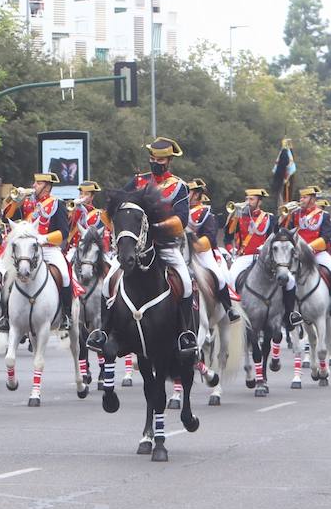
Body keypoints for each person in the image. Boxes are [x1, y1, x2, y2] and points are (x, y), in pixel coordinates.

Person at [90, 137, 196, 351]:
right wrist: (117, 227)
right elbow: (116, 207)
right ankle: (103, 332)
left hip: (164, 244)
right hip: (135, 245)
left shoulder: (178, 187)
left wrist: (157, 227)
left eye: (160, 159)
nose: (155, 161)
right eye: (152, 157)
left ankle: (186, 334)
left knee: (185, 282)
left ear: (168, 161)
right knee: (108, 282)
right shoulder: (138, 182)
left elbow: (181, 221)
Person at [3, 171, 74, 331]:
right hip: (27, 250)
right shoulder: (27, 203)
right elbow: (6, 219)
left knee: (64, 275)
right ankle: (6, 317)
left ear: (47, 186)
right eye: (35, 183)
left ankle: (66, 315)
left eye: (38, 183)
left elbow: (63, 233)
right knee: (8, 275)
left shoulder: (58, 204)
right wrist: (15, 202)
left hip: (48, 248)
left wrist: (45, 238)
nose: (34, 186)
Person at [225, 187, 296, 327]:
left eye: (251, 199)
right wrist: (231, 249)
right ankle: (231, 311)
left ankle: (289, 315)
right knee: (230, 278)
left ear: (259, 201)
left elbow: (277, 234)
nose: (247, 202)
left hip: (265, 257)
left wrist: (286, 216)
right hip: (244, 256)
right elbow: (228, 237)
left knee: (291, 281)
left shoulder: (268, 218)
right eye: (247, 199)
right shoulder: (238, 216)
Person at [188, 179, 240, 322]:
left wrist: (195, 246)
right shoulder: (179, 211)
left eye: (189, 192)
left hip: (201, 252)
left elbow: (210, 237)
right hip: (182, 251)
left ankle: (229, 309)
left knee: (220, 278)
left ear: (197, 194)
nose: (186, 194)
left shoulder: (206, 213)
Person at [282, 184, 331, 304]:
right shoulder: (294, 214)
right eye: (301, 197)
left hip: (318, 253)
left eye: (304, 197)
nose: (301, 200)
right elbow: (286, 233)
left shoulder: (324, 215)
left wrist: (310, 247)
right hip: (297, 254)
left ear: (313, 199)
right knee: (281, 274)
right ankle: (286, 308)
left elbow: (325, 238)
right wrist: (284, 217)